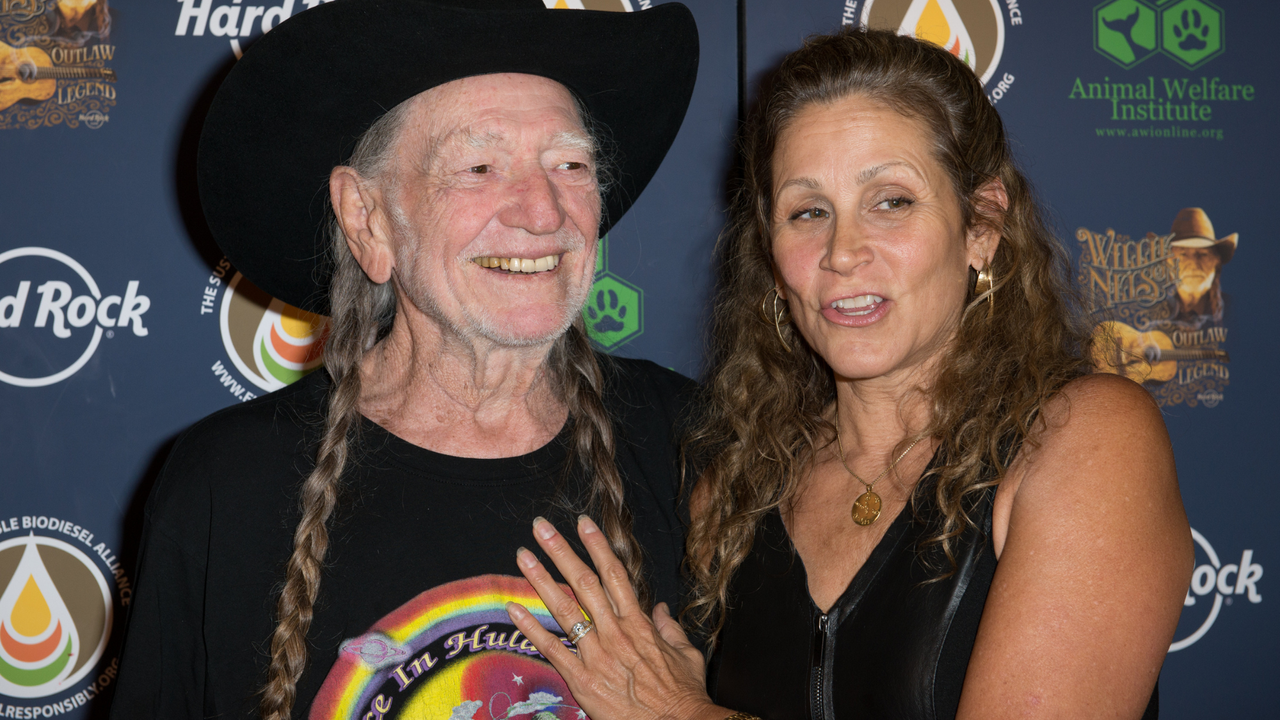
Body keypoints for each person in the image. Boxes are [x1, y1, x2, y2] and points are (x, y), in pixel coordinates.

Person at [503, 27, 1193, 720]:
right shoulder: (731, 495)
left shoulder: (1087, 438)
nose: (842, 252)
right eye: (808, 212)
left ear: (981, 226)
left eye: (891, 201)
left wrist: (685, 713)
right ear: (772, 260)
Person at [108, 1, 698, 719]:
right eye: (479, 166)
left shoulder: (694, 445)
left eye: (570, 163)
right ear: (368, 219)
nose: (543, 212)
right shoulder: (222, 490)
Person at [1166, 207, 1237, 328]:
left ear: (1217, 262)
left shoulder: (1233, 312)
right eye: (1183, 254)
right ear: (1168, 262)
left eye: (1203, 254)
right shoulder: (1152, 316)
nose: (1194, 263)